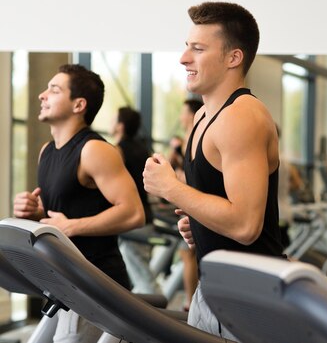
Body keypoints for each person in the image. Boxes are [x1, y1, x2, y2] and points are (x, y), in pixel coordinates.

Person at [143, 1, 283, 340]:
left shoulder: (241, 117)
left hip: (249, 297)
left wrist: (172, 188)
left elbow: (247, 226)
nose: (183, 58)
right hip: (214, 286)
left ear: (233, 58)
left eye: (198, 49)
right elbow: (223, 204)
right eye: (186, 47)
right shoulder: (204, 118)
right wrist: (200, 222)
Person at [13, 64, 145, 343]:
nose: (42, 95)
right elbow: (61, 216)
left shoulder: (94, 150)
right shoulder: (47, 151)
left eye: (54, 89)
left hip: (96, 285)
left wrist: (70, 226)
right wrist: (36, 214)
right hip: (61, 281)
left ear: (79, 105)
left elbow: (133, 213)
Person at [112, 106, 160, 294]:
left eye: (114, 120)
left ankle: (158, 320)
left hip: (132, 221)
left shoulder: (118, 151)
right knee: (141, 275)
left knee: (144, 279)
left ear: (120, 126)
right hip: (146, 217)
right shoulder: (142, 149)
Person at [168, 98, 203, 310]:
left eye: (183, 112)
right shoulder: (188, 140)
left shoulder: (194, 138)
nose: (181, 116)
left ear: (191, 115)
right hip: (190, 203)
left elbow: (190, 178)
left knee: (188, 254)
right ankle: (193, 300)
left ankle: (191, 301)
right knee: (189, 253)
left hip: (194, 203)